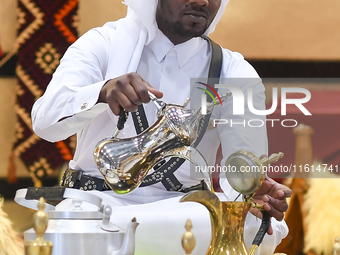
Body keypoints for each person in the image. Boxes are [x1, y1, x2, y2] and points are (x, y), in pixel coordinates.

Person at [31, 0, 292, 254]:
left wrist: (250, 194)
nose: (201, 1)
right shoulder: (102, 44)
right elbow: (45, 123)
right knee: (78, 227)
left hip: (188, 210)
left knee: (252, 225)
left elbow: (242, 171)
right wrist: (101, 92)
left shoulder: (235, 71)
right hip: (99, 202)